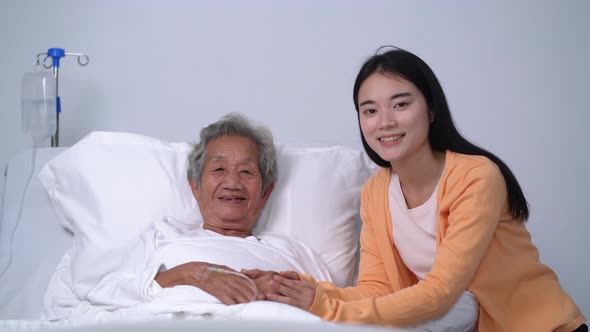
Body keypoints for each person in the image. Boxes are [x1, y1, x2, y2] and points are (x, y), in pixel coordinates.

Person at [253, 48, 587, 331]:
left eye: (400, 104)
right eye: (370, 110)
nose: (384, 122)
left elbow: (441, 292)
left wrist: (326, 308)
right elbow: (375, 290)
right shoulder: (375, 192)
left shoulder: (476, 176)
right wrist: (300, 287)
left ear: (431, 108)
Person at [63, 113, 331, 310]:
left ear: (266, 192)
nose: (233, 182)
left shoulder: (295, 254)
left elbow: (338, 309)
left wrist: (282, 289)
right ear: (195, 187)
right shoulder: (164, 236)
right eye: (218, 169)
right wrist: (188, 274)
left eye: (247, 171)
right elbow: (105, 295)